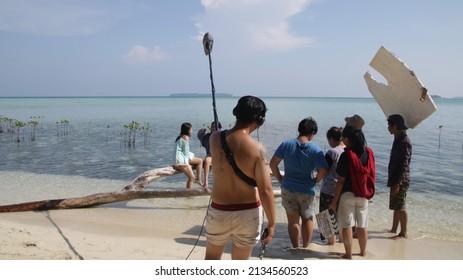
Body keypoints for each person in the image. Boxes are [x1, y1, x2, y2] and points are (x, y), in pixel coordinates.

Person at [204, 96, 276, 260]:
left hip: (219, 209)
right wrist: (271, 224)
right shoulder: (259, 149)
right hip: (248, 212)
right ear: (260, 120)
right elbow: (265, 190)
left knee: (211, 260)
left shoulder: (214, 138)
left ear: (236, 113)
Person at [270, 117, 328, 249]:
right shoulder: (315, 149)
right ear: (312, 133)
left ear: (299, 130)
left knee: (293, 221)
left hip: (288, 188)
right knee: (307, 219)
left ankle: (296, 247)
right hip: (307, 189)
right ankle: (306, 247)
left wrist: (280, 179)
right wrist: (315, 180)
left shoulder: (286, 144)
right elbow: (324, 169)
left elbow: (273, 164)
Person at [329, 125, 375, 259]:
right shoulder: (368, 153)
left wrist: (334, 201)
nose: (342, 139)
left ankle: (348, 255)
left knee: (347, 226)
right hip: (363, 194)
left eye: (344, 137)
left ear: (348, 139)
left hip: (347, 195)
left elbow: (341, 181)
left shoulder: (346, 155)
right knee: (362, 225)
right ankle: (362, 252)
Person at [387, 114, 412, 239]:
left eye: (390, 125)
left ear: (395, 126)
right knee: (396, 205)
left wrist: (397, 183)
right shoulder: (397, 138)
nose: (388, 127)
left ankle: (403, 233)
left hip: (401, 179)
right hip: (395, 177)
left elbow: (404, 164)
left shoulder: (404, 141)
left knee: (401, 206)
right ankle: (394, 229)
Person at [319, 126, 345, 245]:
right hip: (343, 190)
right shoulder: (348, 150)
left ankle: (330, 245)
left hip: (329, 189)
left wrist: (316, 179)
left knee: (328, 220)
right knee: (341, 220)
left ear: (330, 138)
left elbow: (323, 169)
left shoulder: (332, 152)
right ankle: (342, 242)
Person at [173, 122, 203, 189]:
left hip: (177, 159)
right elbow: (186, 153)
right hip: (181, 160)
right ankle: (197, 181)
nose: (192, 131)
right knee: (192, 177)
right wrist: (190, 160)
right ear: (188, 130)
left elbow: (181, 151)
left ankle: (197, 181)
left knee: (198, 160)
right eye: (191, 129)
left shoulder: (179, 137)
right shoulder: (185, 137)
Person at [198, 121, 222, 189]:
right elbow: (201, 137)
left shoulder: (221, 135)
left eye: (214, 127)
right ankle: (206, 182)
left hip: (220, 155)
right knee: (206, 161)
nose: (212, 128)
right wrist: (202, 132)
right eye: (212, 127)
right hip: (210, 155)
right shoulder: (208, 136)